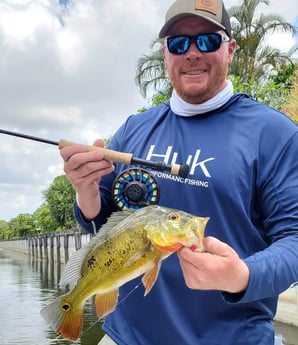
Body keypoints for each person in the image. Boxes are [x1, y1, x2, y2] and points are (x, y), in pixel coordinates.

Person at [60, 0, 298, 344]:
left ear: (229, 49)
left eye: (206, 41)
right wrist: (85, 193)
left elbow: (294, 238)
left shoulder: (274, 134)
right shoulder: (134, 128)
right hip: (125, 337)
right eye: (178, 43)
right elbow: (103, 223)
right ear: (165, 54)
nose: (191, 53)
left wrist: (243, 275)